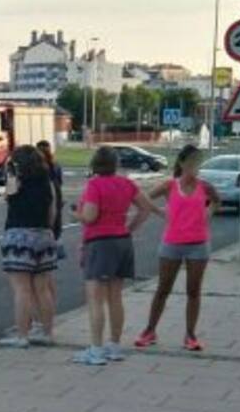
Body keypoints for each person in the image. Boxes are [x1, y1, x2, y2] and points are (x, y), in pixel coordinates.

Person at [74, 146, 156, 366]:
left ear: (95, 164)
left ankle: (96, 350)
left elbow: (90, 217)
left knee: (95, 299)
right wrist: (129, 228)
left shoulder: (94, 185)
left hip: (100, 243)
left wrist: (77, 214)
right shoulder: (127, 183)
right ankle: (114, 346)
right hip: (122, 241)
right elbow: (146, 207)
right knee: (115, 298)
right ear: (115, 163)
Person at [135, 144, 211, 352]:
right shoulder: (170, 185)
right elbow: (142, 198)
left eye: (199, 162)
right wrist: (160, 213)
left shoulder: (204, 186)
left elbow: (216, 201)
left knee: (193, 291)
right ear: (182, 163)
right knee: (163, 289)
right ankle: (149, 331)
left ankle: (191, 335)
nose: (196, 166)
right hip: (172, 244)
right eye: (193, 162)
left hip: (198, 245)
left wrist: (208, 214)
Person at [0, 145, 57, 348]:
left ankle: (22, 335)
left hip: (19, 235)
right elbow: (52, 211)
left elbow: (8, 197)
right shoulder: (46, 182)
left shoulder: (16, 180)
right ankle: (47, 331)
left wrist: (11, 172)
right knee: (43, 288)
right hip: (44, 234)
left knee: (21, 289)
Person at [35, 140, 65, 336]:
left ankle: (41, 322)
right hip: (54, 230)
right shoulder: (55, 175)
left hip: (44, 231)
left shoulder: (42, 180)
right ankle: (49, 318)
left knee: (39, 282)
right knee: (47, 278)